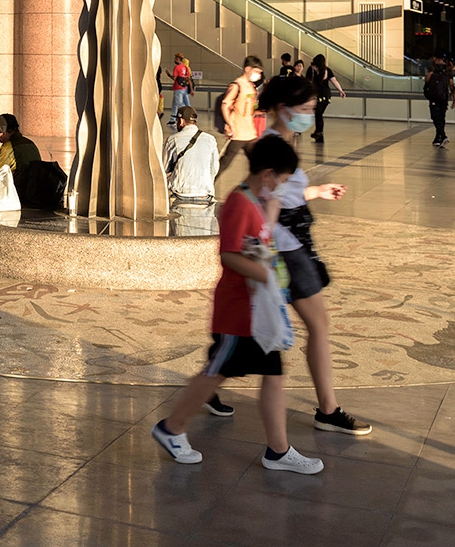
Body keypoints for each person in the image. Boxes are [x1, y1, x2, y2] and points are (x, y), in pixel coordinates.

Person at [152, 133, 323, 473]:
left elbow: (258, 241)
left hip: (256, 312)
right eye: (281, 181)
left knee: (272, 372)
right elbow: (229, 255)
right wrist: (266, 275)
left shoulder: (256, 201)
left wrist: (271, 216)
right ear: (268, 174)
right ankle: (172, 428)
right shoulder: (238, 203)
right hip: (237, 313)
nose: (281, 188)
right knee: (215, 372)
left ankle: (278, 450)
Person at [257, 74, 371, 435]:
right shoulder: (272, 145)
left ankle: (211, 383)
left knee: (266, 329)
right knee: (316, 325)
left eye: (312, 108)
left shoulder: (283, 140)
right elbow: (267, 200)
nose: (310, 115)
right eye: (305, 109)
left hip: (294, 241)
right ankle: (328, 409)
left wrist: (317, 191)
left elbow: (285, 192)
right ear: (282, 108)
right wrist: (269, 247)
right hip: (287, 245)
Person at [217, 56, 264, 179]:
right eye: (256, 71)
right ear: (247, 69)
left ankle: (260, 186)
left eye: (260, 72)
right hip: (238, 132)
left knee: (258, 164)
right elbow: (225, 105)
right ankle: (207, 185)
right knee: (224, 163)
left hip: (250, 133)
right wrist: (229, 124)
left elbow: (251, 108)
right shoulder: (236, 85)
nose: (258, 75)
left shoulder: (251, 86)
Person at [164, 106, 219, 205]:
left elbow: (164, 168)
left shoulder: (172, 140)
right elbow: (214, 168)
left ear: (181, 121)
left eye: (177, 121)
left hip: (180, 194)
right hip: (205, 194)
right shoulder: (210, 139)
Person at [0, 113, 41, 194]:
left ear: (7, 131)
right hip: (34, 189)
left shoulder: (8, 147)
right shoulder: (30, 143)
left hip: (18, 192)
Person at [308, 54, 343, 141]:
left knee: (318, 114)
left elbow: (308, 82)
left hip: (317, 95)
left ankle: (319, 133)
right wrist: (340, 90)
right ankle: (318, 132)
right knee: (319, 114)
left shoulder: (311, 69)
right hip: (327, 95)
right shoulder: (327, 70)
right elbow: (334, 81)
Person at [423, 57, 451, 146]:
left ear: (435, 58)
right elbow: (451, 84)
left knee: (435, 117)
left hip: (434, 97)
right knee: (441, 117)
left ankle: (443, 135)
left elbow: (427, 79)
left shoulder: (432, 67)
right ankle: (438, 138)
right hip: (444, 97)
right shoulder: (447, 69)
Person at [168, 53, 194, 127]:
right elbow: (188, 79)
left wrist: (168, 75)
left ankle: (186, 116)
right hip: (184, 88)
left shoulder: (177, 67)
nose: (174, 60)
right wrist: (191, 89)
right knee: (175, 104)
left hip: (178, 88)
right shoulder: (185, 67)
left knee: (180, 104)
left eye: (175, 58)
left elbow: (174, 78)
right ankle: (172, 119)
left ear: (177, 59)